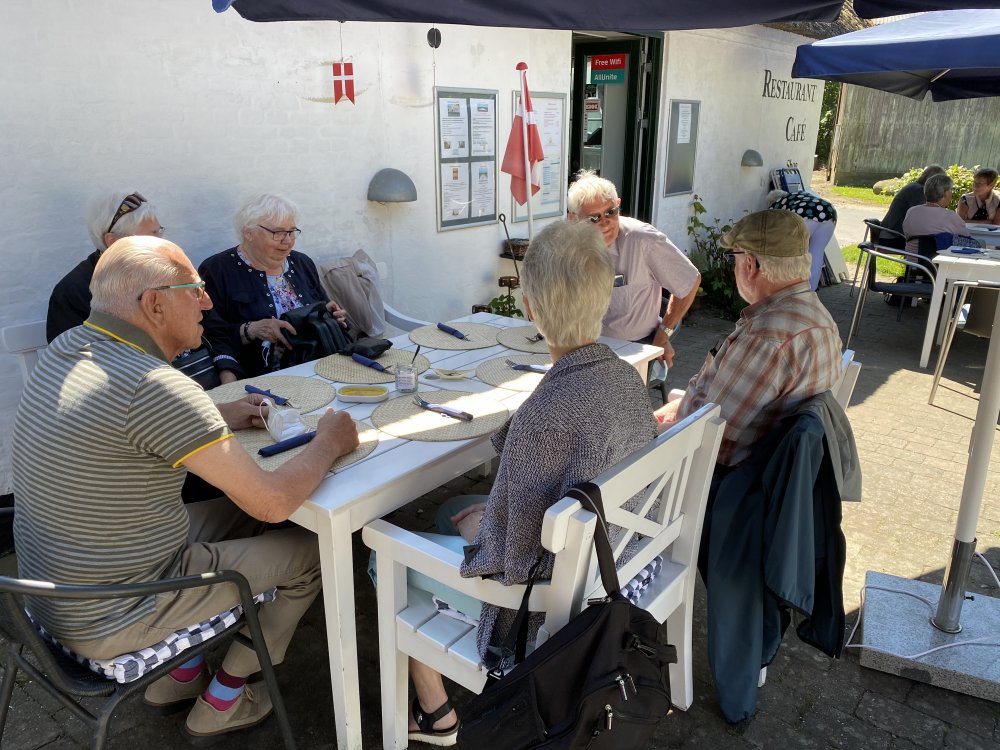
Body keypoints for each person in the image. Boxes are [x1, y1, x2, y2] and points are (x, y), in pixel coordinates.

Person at [12, 236, 359, 742]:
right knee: (314, 546)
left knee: (253, 517)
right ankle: (222, 701)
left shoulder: (68, 348)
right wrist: (329, 442)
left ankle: (177, 679)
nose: (208, 302)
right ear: (154, 304)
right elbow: (274, 499)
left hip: (50, 593)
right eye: (194, 290)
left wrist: (217, 414)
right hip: (113, 613)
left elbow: (123, 421)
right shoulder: (157, 384)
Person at [404, 220, 657, 746]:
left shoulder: (543, 417)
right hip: (624, 560)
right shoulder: (624, 375)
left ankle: (434, 711)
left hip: (549, 610)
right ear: (604, 299)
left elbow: (508, 564)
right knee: (453, 507)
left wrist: (481, 530)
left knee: (383, 553)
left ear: (529, 309)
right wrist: (490, 517)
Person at [654, 209, 842, 467]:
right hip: (773, 467)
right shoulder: (817, 314)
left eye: (734, 258)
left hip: (713, 477)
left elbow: (715, 443)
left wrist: (646, 436)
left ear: (750, 264)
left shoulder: (765, 338)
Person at [46, 191, 234, 390]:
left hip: (210, 383)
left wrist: (227, 374)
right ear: (113, 242)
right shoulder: (73, 292)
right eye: (151, 236)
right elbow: (82, 370)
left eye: (159, 232)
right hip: (150, 394)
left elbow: (213, 327)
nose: (161, 242)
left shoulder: (170, 269)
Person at [200, 193, 349, 379]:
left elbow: (321, 309)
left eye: (291, 232)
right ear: (249, 233)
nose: (287, 240)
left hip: (319, 367)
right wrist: (250, 330)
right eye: (277, 233)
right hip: (259, 377)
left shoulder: (301, 262)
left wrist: (330, 318)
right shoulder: (217, 270)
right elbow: (209, 334)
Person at [567, 171, 700, 367]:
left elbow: (689, 281)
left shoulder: (643, 241)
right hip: (580, 348)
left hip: (632, 350)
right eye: (593, 218)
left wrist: (664, 334)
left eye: (610, 212)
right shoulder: (566, 246)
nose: (605, 223)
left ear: (618, 204)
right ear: (573, 219)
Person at [766, 188, 838, 291]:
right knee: (817, 252)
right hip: (829, 212)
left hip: (806, 215)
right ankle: (811, 290)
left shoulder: (776, 204)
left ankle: (789, 288)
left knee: (791, 253)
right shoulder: (798, 195)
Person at [902, 173, 970, 253]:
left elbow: (907, 233)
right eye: (951, 190)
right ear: (945, 194)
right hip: (942, 260)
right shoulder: (951, 216)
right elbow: (967, 240)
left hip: (913, 259)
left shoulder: (911, 212)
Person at [880, 164, 946, 244]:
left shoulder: (915, 187)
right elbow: (921, 219)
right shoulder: (918, 191)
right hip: (893, 236)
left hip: (891, 233)